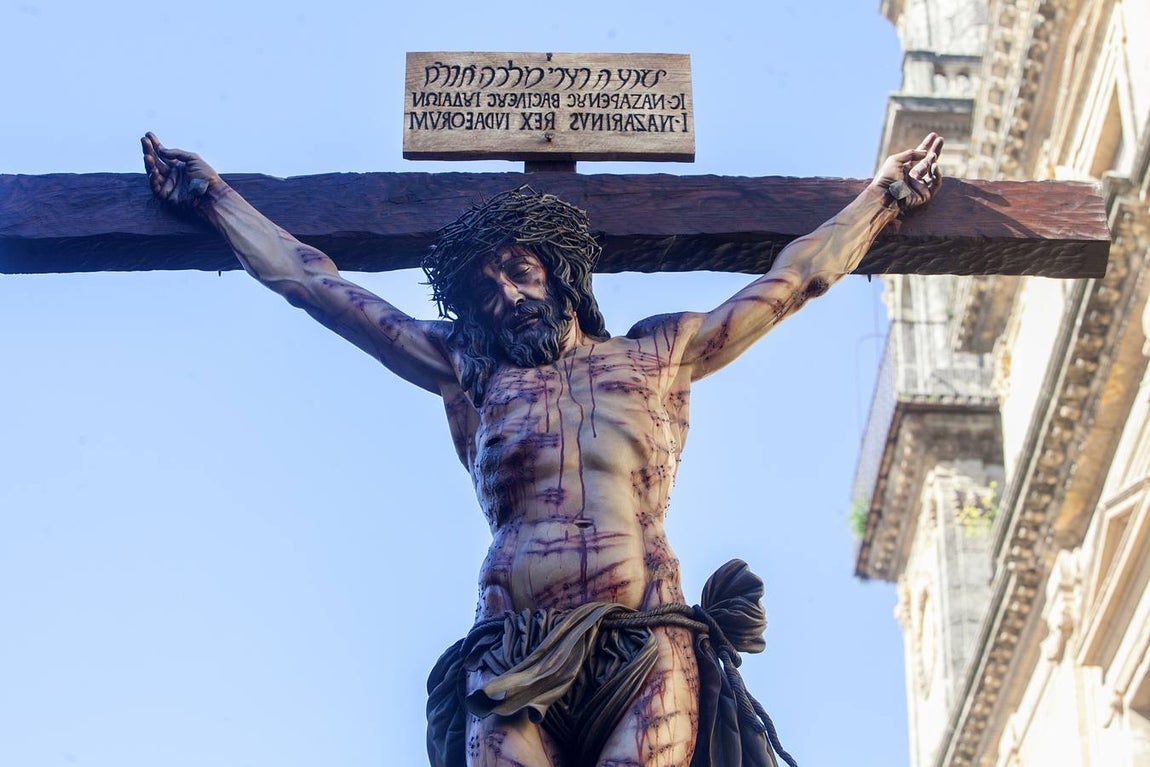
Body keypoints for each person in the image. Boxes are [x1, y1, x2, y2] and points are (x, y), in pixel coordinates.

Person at [142, 131, 943, 767]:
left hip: (640, 637)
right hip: (512, 646)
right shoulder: (469, 371)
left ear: (558, 273)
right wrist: (215, 199)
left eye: (520, 274)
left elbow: (796, 276)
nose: (509, 297)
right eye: (488, 292)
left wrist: (883, 198)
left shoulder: (655, 356)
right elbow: (317, 284)